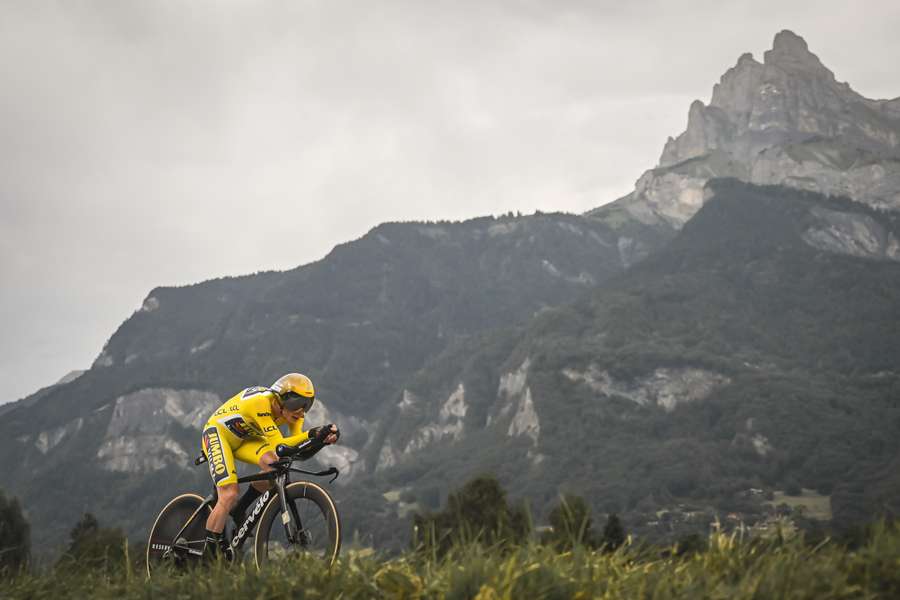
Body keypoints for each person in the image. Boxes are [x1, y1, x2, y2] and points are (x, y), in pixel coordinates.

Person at [200, 373, 339, 559]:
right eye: (298, 405)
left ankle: (240, 509)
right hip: (218, 434)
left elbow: (296, 451)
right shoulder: (261, 404)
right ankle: (208, 556)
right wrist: (314, 434)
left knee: (274, 466)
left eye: (306, 406)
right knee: (229, 493)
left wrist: (323, 440)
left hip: (245, 439)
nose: (301, 412)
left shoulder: (293, 413)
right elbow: (280, 446)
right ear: (283, 401)